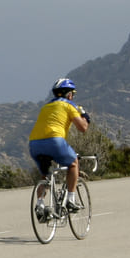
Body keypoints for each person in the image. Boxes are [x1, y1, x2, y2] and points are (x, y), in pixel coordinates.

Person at [28, 78, 91, 215]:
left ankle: (40, 205)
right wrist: (85, 116)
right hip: (54, 141)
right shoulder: (69, 105)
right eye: (72, 94)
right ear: (69, 94)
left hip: (34, 144)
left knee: (45, 175)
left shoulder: (46, 107)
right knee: (73, 163)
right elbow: (83, 128)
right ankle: (70, 200)